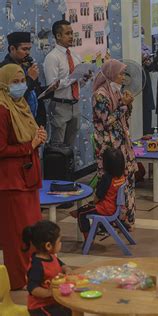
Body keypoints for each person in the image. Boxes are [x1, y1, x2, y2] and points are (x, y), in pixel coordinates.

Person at [0, 64, 46, 290]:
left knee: (31, 232)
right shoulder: (2, 109)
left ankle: (33, 275)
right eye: (15, 82)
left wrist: (38, 137)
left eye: (21, 81)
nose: (20, 86)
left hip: (27, 177)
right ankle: (19, 281)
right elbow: (1, 149)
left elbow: (28, 134)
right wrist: (30, 145)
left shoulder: (21, 105)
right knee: (17, 237)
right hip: (11, 183)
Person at [92, 59, 138, 228]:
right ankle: (109, 218)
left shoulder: (117, 92)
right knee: (110, 182)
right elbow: (106, 121)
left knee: (126, 180)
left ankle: (125, 218)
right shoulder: (100, 95)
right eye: (120, 73)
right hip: (108, 146)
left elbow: (123, 117)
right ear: (111, 74)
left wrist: (128, 105)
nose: (123, 77)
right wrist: (124, 106)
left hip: (121, 143)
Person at [44, 20, 90, 146]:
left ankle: (68, 166)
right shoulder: (52, 57)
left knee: (70, 146)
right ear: (58, 36)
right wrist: (72, 78)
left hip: (75, 105)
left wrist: (84, 79)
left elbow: (78, 84)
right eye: (68, 33)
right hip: (60, 105)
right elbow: (52, 85)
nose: (71, 37)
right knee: (58, 147)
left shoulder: (75, 56)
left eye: (72, 33)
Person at [72, 147, 126, 240]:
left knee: (82, 213)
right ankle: (103, 226)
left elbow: (98, 197)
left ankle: (88, 237)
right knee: (86, 208)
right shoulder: (121, 177)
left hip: (105, 209)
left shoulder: (106, 178)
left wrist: (93, 203)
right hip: (116, 208)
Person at [23, 220, 72, 316]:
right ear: (48, 245)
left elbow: (61, 265)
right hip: (41, 307)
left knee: (70, 310)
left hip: (54, 302)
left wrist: (67, 270)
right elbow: (32, 288)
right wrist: (49, 293)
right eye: (59, 241)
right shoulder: (37, 265)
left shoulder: (52, 256)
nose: (61, 244)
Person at [0, 32, 47, 126]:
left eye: (29, 49)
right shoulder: (5, 70)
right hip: (17, 122)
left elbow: (34, 92)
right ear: (12, 49)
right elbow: (14, 97)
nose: (28, 53)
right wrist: (30, 78)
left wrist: (51, 89)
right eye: (24, 49)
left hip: (34, 121)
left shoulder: (27, 65)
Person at [141, 27, 155, 135]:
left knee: (147, 105)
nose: (141, 35)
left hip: (144, 77)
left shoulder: (147, 48)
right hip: (134, 78)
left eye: (142, 32)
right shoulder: (130, 47)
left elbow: (152, 66)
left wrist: (147, 62)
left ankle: (147, 131)